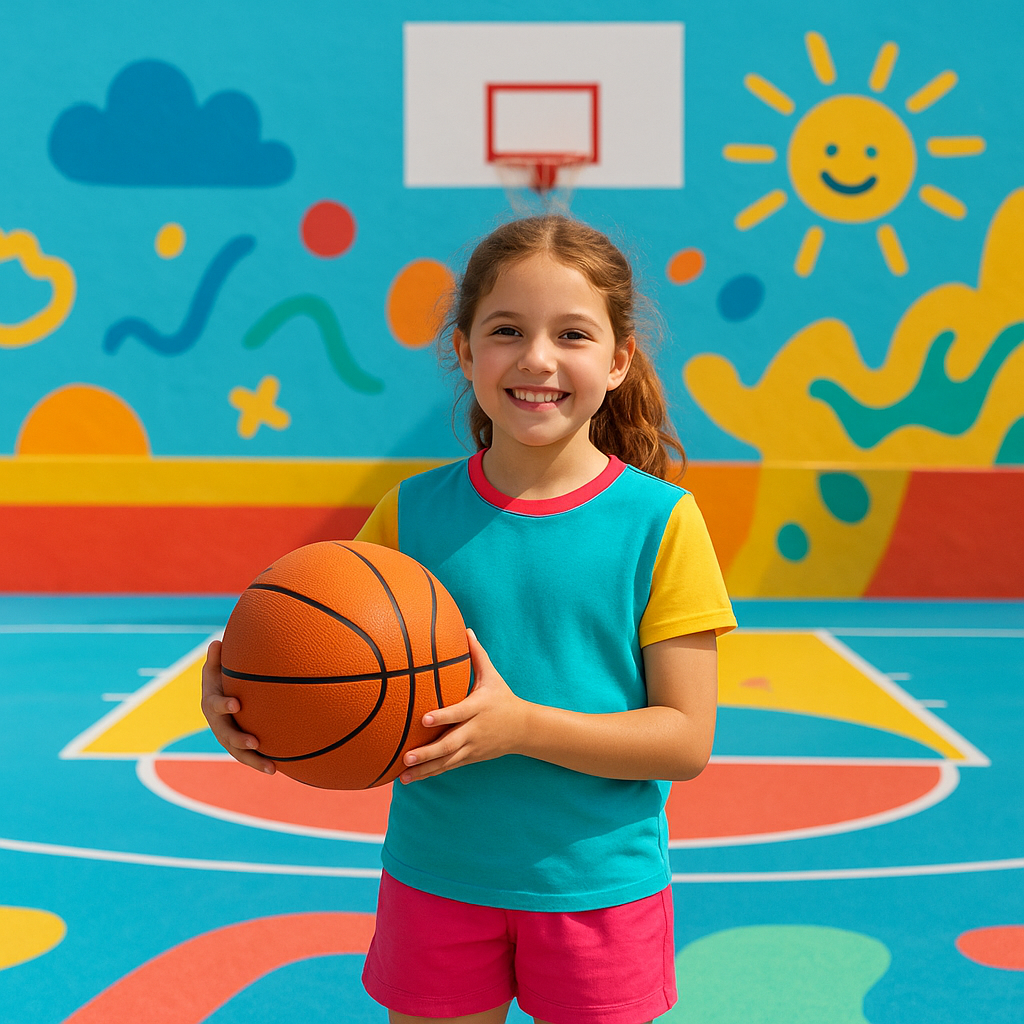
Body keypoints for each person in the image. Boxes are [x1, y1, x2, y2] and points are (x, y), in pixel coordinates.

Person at [201, 215, 736, 1024]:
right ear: (464, 350)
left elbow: (685, 740)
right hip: (436, 876)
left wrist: (519, 726)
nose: (538, 359)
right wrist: (245, 707)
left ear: (620, 358)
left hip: (596, 887)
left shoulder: (661, 523)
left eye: (574, 334)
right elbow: (320, 661)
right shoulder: (409, 516)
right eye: (507, 330)